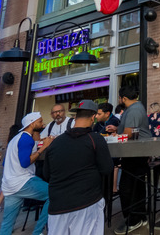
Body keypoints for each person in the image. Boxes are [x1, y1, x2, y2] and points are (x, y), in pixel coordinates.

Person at [43, 100, 113, 235]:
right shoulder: (95, 139)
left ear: (75, 117)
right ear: (93, 117)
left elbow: (46, 174)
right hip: (87, 203)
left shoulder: (55, 142)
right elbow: (107, 169)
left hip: (57, 207)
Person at [0, 112, 53, 235]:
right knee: (54, 194)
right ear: (32, 123)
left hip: (9, 184)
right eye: (40, 121)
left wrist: (40, 141)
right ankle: (38, 231)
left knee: (7, 222)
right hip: (23, 181)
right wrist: (44, 147)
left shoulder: (17, 138)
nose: (42, 123)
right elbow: (25, 162)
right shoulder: (26, 139)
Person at [114, 87, 152, 234]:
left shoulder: (134, 109)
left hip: (135, 153)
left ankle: (134, 219)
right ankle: (140, 216)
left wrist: (114, 136)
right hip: (138, 152)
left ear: (123, 98)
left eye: (119, 98)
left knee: (127, 187)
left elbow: (128, 133)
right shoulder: (136, 108)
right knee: (137, 185)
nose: (119, 100)